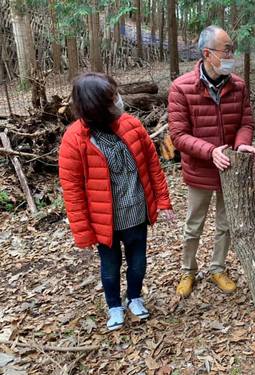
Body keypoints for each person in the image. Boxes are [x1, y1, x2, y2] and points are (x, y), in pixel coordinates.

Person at [59, 73, 175, 330]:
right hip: (104, 223)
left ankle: (134, 297)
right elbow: (73, 191)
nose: (118, 100)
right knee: (110, 267)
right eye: (112, 97)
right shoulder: (74, 140)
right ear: (95, 105)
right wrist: (83, 232)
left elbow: (153, 166)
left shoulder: (132, 125)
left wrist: (163, 201)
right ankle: (114, 306)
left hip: (136, 212)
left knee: (138, 261)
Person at [168, 25, 255, 298]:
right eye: (227, 50)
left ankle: (218, 268)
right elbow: (178, 135)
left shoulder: (239, 85)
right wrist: (210, 152)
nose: (232, 55)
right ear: (207, 54)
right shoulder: (181, 88)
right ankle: (188, 270)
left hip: (231, 170)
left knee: (226, 222)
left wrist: (242, 142)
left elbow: (246, 121)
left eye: (233, 49)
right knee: (194, 224)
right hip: (200, 169)